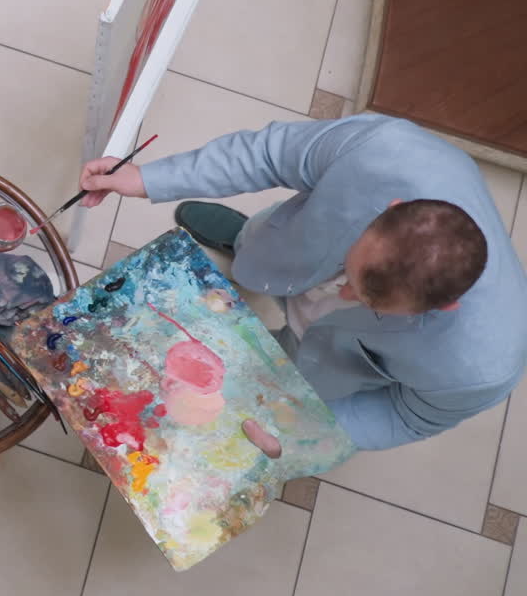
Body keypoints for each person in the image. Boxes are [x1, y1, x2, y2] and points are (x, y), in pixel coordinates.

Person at [80, 114, 527, 450]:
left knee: (266, 375)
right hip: (286, 249)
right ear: (391, 206)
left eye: (369, 302)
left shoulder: (480, 369)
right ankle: (240, 242)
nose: (340, 295)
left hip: (323, 357)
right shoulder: (384, 150)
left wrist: (297, 435)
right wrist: (148, 179)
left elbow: (404, 418)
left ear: (443, 308)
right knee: (256, 247)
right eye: (350, 274)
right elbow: (268, 154)